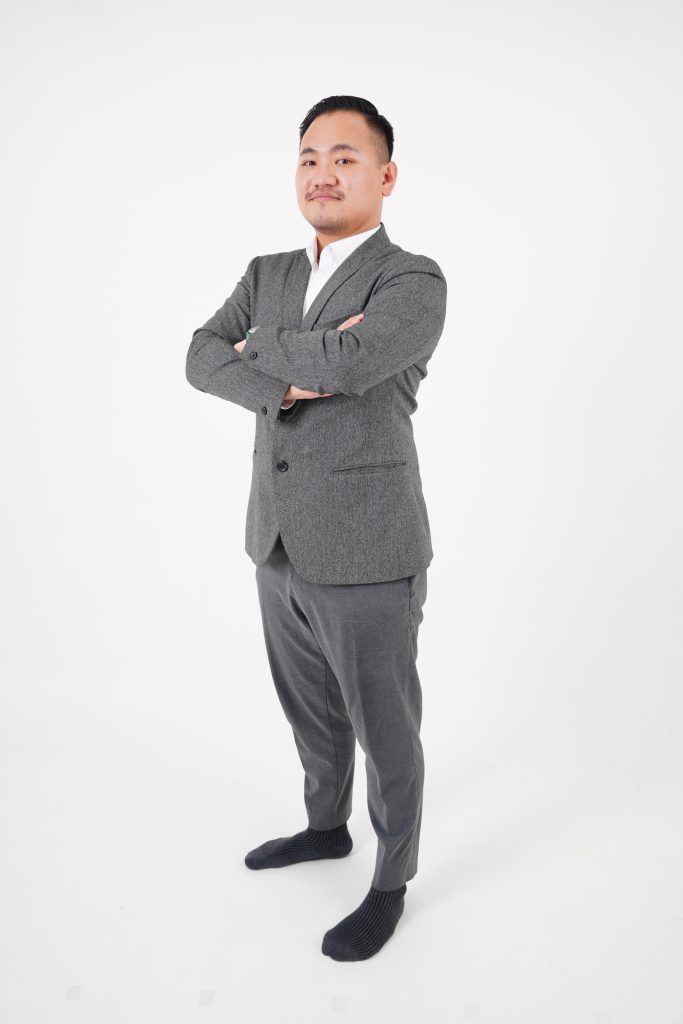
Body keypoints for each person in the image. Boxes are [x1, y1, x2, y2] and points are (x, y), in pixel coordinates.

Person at [185, 95, 447, 960]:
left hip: (369, 544)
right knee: (310, 709)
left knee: (384, 728)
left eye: (343, 157)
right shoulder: (266, 272)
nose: (321, 174)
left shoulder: (411, 280)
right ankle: (325, 827)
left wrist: (258, 347)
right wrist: (293, 362)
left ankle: (391, 880)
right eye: (308, 157)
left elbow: (354, 360)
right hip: (277, 537)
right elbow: (199, 355)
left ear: (384, 175)